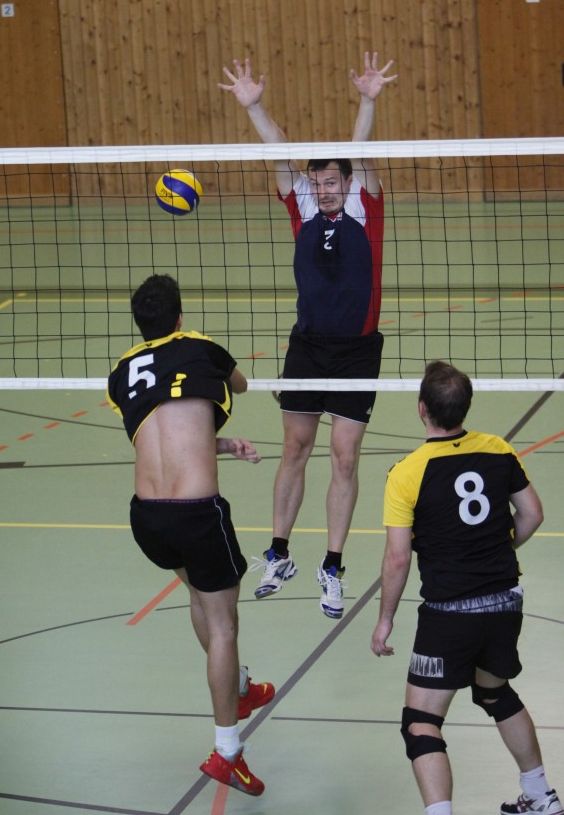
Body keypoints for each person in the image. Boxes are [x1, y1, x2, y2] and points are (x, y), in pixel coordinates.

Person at [219, 52, 397, 619]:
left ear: (348, 181)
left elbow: (361, 151)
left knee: (344, 457)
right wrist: (255, 108)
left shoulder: (366, 206)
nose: (323, 190)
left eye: (331, 181)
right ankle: (279, 554)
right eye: (316, 182)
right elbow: (278, 152)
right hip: (308, 346)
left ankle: (332, 567)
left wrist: (367, 101)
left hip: (357, 352)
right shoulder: (301, 204)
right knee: (295, 448)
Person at [370, 361, 564, 815]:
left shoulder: (407, 472)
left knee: (421, 722)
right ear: (466, 407)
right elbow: (532, 514)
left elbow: (397, 557)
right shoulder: (498, 449)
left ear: (422, 408)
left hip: (450, 613)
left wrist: (385, 619)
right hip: (505, 601)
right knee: (495, 692)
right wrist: (497, 549)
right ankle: (541, 796)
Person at [107, 273, 273, 797]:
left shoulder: (122, 372)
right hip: (197, 515)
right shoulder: (202, 347)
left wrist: (220, 444)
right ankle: (228, 752)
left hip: (147, 517)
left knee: (202, 598)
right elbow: (241, 385)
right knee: (223, 625)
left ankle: (239, 686)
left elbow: (162, 434)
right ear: (180, 318)